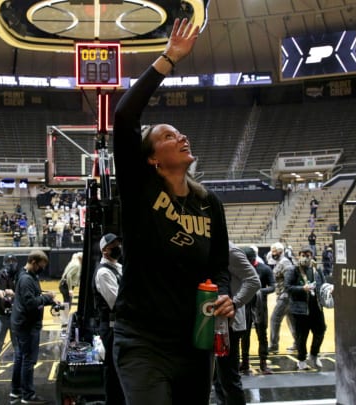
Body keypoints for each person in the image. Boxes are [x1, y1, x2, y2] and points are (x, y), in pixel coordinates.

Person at [112, 18, 235, 404]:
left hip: (194, 341)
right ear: (150, 159)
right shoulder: (139, 189)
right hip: (142, 342)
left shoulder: (208, 202)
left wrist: (226, 296)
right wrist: (169, 58)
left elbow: (218, 268)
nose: (180, 136)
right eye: (167, 135)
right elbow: (124, 118)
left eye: (179, 133)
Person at [213, 242, 260, 405]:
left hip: (229, 325)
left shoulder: (230, 251)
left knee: (229, 379)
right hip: (215, 323)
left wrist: (234, 303)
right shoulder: (211, 249)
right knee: (217, 378)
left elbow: (254, 281)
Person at [10, 250, 57, 404]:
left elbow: (34, 296)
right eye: (40, 266)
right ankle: (28, 395)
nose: (42, 269)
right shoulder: (26, 279)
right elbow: (31, 303)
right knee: (28, 360)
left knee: (20, 358)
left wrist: (46, 298)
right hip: (27, 326)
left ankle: (16, 391)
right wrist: (47, 298)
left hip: (21, 324)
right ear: (34, 262)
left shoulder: (28, 276)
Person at [93, 233, 125, 405]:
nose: (117, 247)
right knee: (112, 369)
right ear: (105, 250)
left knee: (120, 367)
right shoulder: (103, 272)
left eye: (118, 243)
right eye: (113, 245)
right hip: (110, 326)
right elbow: (117, 302)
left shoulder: (117, 267)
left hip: (119, 325)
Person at [285, 246, 327, 370]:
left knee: (320, 331)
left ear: (312, 256)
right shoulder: (293, 270)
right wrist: (302, 289)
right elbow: (287, 287)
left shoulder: (317, 269)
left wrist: (329, 290)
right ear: (299, 255)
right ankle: (302, 359)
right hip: (300, 309)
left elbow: (323, 285)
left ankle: (314, 354)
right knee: (302, 336)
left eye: (308, 255)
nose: (305, 257)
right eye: (303, 254)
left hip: (317, 307)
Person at [239, 246, 275, 375]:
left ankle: (263, 363)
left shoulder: (264, 269)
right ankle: (245, 363)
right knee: (244, 335)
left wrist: (259, 291)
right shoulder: (241, 269)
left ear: (252, 258)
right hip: (244, 306)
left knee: (262, 336)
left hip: (260, 307)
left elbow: (272, 287)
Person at [268, 242, 295, 354]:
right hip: (285, 296)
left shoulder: (285, 263)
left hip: (285, 297)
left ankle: (274, 345)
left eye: (275, 251)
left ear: (281, 251)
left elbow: (289, 281)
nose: (273, 253)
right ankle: (298, 343)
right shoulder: (280, 262)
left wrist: (286, 294)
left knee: (274, 319)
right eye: (272, 251)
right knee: (292, 321)